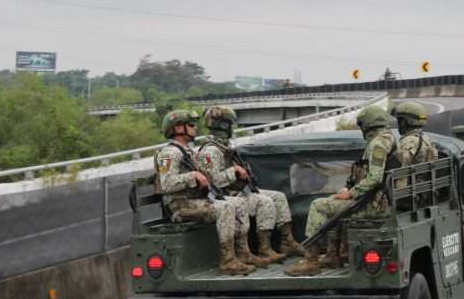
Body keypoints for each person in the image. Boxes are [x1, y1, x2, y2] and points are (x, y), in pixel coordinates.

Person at [284, 105, 398, 276]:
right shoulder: (389, 139)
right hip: (378, 201)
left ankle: (311, 260)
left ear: (367, 125)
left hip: (372, 205)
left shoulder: (378, 144)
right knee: (335, 204)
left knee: (319, 206)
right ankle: (332, 255)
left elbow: (375, 177)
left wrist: (351, 193)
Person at [197, 106, 305, 264]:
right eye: (228, 124)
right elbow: (212, 182)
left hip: (237, 192)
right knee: (264, 202)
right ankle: (264, 248)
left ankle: (287, 241)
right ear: (221, 125)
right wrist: (233, 172)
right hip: (225, 197)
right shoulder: (211, 151)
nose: (231, 128)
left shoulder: (225, 147)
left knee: (278, 197)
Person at [154, 109, 254, 275]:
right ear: (179, 128)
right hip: (181, 207)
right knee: (225, 208)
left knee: (239, 202)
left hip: (195, 201)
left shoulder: (188, 151)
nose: (195, 128)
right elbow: (166, 184)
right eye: (191, 125)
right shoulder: (170, 154)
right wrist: (193, 176)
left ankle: (243, 254)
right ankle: (228, 261)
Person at [393, 101, 438, 165]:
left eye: (400, 120)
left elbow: (396, 166)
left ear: (404, 122)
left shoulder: (408, 141)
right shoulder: (426, 138)